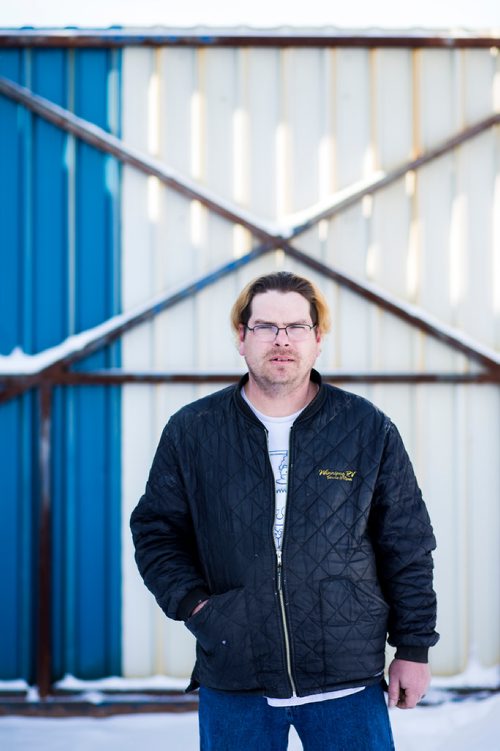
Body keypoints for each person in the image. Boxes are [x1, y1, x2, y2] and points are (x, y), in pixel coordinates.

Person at [130, 271, 439, 750]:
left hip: (347, 680)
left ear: (317, 339)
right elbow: (156, 531)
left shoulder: (364, 428)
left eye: (296, 327)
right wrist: (197, 606)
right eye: (265, 327)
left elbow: (407, 543)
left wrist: (413, 646)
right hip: (237, 675)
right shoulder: (193, 431)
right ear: (241, 337)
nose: (281, 340)